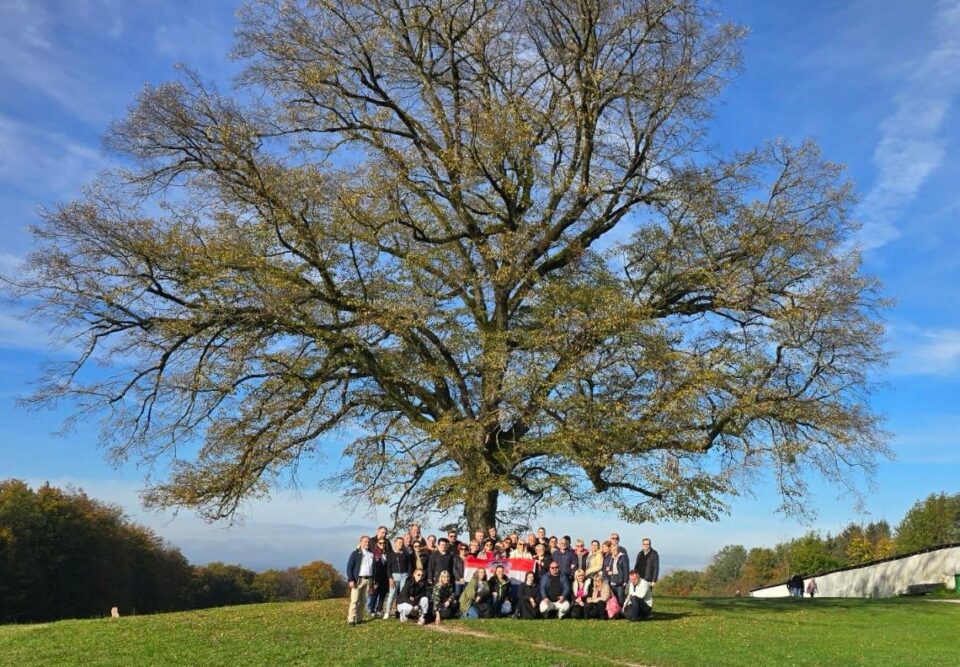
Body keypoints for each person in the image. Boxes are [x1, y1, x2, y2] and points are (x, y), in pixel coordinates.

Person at [346, 535, 375, 626]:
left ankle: (359, 619)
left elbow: (373, 568)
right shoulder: (355, 553)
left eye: (368, 542)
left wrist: (373, 581)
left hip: (368, 579)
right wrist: (351, 579)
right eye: (365, 541)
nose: (367, 543)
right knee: (354, 600)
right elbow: (349, 568)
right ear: (361, 542)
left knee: (363, 601)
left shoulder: (371, 554)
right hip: (358, 580)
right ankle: (351, 620)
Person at [383, 536, 410, 619]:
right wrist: (390, 578)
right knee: (392, 594)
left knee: (403, 595)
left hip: (404, 576)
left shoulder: (405, 553)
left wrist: (408, 574)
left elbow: (409, 565)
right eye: (399, 543)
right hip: (395, 576)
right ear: (395, 543)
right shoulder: (390, 554)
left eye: (402, 543)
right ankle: (387, 612)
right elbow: (388, 567)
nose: (401, 544)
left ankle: (402, 613)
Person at [366, 533, 390, 616]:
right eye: (380, 543)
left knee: (382, 594)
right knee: (374, 594)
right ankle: (371, 610)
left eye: (384, 543)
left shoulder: (387, 553)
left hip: (385, 576)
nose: (382, 544)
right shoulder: (373, 553)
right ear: (377, 544)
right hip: (376, 577)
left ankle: (379, 609)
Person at [603, 539, 628, 605]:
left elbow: (626, 569)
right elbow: (610, 567)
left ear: (618, 550)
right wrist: (609, 571)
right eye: (613, 550)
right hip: (612, 579)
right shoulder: (611, 558)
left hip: (620, 580)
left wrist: (625, 581)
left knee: (620, 597)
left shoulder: (622, 557)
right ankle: (616, 612)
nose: (614, 551)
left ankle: (622, 612)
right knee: (614, 597)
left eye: (615, 550)